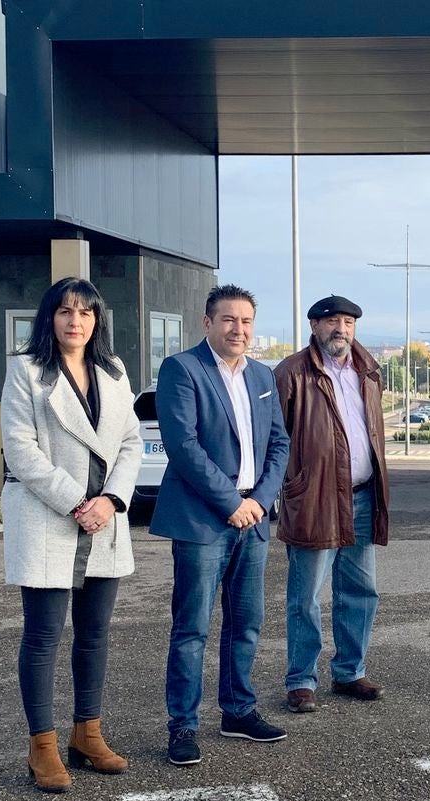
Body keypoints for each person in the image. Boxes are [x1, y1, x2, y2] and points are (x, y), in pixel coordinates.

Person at [2, 277, 143, 792]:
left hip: (104, 518)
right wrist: (77, 501)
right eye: (64, 311)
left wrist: (109, 501)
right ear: (50, 318)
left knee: (95, 634)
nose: (74, 321)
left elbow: (130, 440)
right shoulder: (27, 370)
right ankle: (42, 747)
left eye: (84, 313)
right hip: (49, 513)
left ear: (97, 321)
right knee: (43, 637)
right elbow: (19, 450)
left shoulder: (114, 370)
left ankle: (88, 734)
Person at [150, 284, 291, 766]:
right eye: (228, 320)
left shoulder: (263, 375)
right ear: (207, 323)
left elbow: (280, 444)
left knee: (246, 622)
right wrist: (232, 502)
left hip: (253, 518)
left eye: (247, 321)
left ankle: (238, 711)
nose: (239, 329)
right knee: (192, 627)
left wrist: (261, 500)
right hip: (204, 518)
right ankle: (183, 726)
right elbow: (183, 446)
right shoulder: (182, 369)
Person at [274, 295, 390, 713]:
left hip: (361, 496)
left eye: (347, 322)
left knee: (361, 590)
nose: (340, 329)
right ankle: (301, 679)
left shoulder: (369, 371)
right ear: (314, 325)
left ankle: (350, 672)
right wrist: (286, 489)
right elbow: (275, 438)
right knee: (306, 596)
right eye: (331, 322)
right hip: (314, 499)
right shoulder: (291, 372)